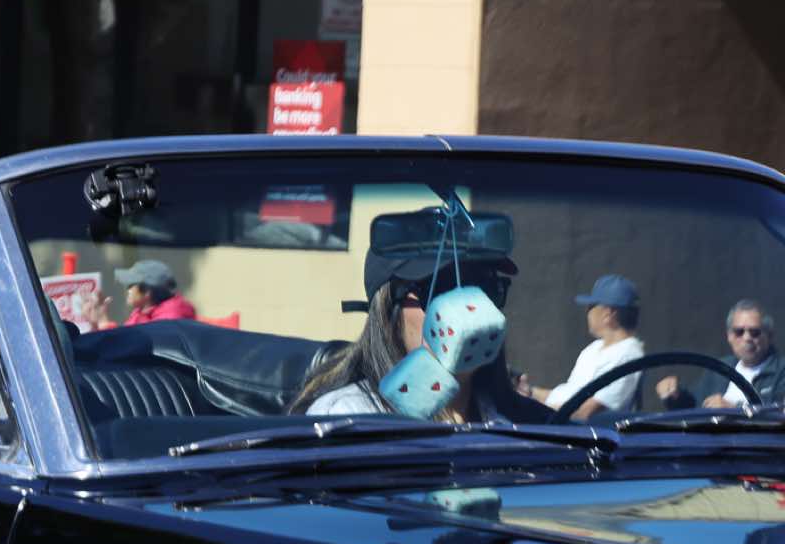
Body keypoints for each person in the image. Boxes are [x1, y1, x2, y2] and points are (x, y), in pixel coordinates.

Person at [291, 238, 542, 423]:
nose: (469, 307)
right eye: (440, 287)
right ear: (387, 311)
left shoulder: (533, 425)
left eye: (484, 286)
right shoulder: (346, 418)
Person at [524, 274, 647, 421]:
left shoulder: (628, 356)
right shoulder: (593, 349)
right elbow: (567, 396)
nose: (587, 312)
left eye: (591, 306)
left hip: (580, 434)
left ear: (608, 314)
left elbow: (585, 412)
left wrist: (529, 408)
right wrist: (529, 392)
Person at [661, 300, 782, 410]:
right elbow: (692, 407)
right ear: (729, 336)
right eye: (739, 332)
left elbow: (778, 415)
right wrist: (674, 395)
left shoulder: (781, 371)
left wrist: (735, 410)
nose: (747, 338)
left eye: (754, 332)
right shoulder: (720, 369)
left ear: (769, 336)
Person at [90, 259, 197, 328]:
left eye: (131, 285)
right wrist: (98, 323)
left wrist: (103, 324)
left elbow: (133, 348)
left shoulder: (169, 321)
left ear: (146, 292)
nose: (128, 290)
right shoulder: (141, 312)